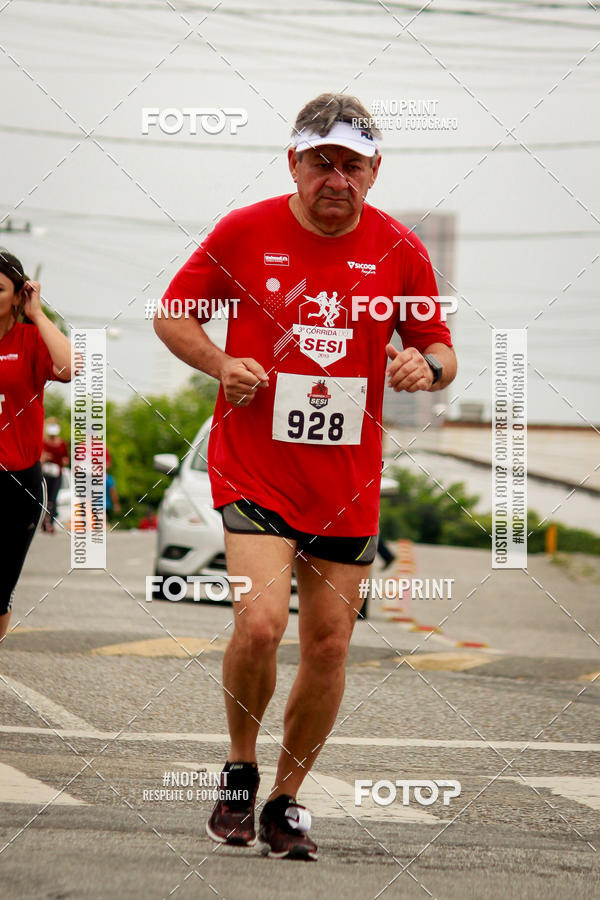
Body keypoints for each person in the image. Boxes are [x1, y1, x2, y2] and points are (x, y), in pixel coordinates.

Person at [155, 93, 457, 860]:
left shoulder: (400, 250)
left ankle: (286, 801)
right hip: (255, 465)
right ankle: (240, 768)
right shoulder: (245, 231)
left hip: (346, 482)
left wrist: (427, 365)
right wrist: (222, 362)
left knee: (328, 647)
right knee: (260, 624)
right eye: (321, 161)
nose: (336, 177)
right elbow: (174, 312)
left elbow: (440, 345)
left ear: (374, 172)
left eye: (351, 164)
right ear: (293, 162)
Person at [0, 250, 72, 642]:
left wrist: (39, 314)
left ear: (17, 295)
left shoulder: (30, 340)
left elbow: (69, 368)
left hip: (17, 483)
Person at [40, 417, 69, 532]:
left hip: (57, 474)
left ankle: (50, 520)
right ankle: (44, 520)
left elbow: (66, 458)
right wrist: (45, 457)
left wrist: (63, 461)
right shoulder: (44, 442)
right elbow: (40, 457)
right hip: (46, 473)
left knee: (53, 497)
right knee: (46, 498)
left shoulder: (62, 443)